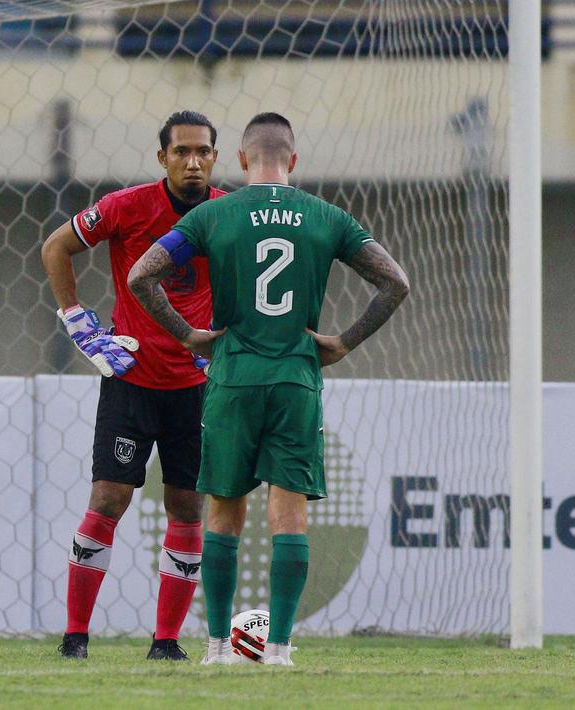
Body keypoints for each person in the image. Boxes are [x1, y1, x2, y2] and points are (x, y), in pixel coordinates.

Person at [127, 112, 410, 666]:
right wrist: (344, 341)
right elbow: (395, 283)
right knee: (290, 516)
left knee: (223, 513)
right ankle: (277, 649)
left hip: (232, 378)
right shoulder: (327, 216)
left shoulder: (214, 212)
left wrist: (189, 336)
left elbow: (142, 274)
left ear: (238, 160)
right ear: (294, 161)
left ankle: (214, 648)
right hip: (295, 380)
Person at [40, 111, 226, 661]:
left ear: (215, 157)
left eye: (204, 152)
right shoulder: (128, 206)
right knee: (110, 497)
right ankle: (75, 637)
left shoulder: (230, 212)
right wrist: (75, 316)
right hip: (133, 377)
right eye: (182, 151)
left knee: (188, 507)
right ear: (162, 157)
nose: (193, 161)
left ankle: (166, 643)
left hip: (196, 384)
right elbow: (56, 246)